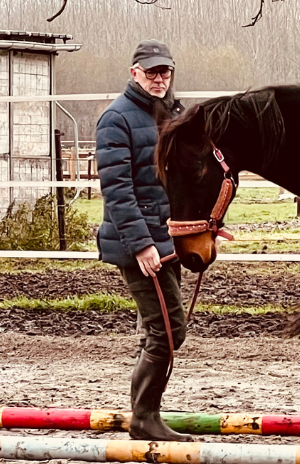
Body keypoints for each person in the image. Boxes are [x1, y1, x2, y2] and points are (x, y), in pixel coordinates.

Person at [96, 40, 190, 441]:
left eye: (164, 72)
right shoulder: (115, 119)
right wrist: (141, 246)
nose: (159, 78)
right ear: (134, 72)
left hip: (170, 238)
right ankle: (144, 417)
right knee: (169, 331)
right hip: (142, 244)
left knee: (158, 330)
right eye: (151, 72)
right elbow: (117, 190)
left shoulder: (175, 114)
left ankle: (144, 413)